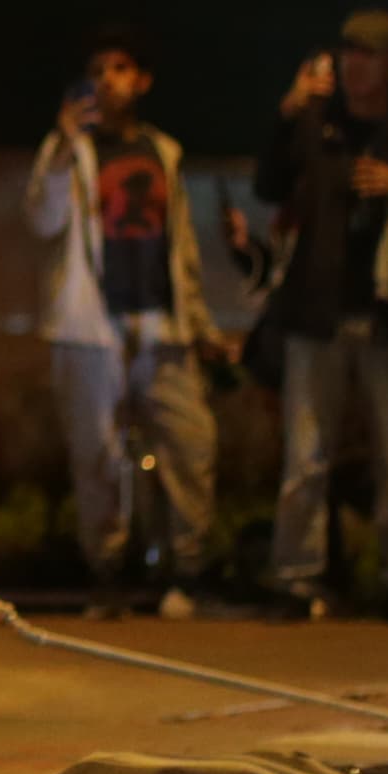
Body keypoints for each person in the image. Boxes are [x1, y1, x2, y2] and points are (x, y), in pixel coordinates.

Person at [252, 10, 388, 615]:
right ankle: (296, 575)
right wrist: (288, 110)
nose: (353, 64)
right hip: (316, 315)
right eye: (347, 52)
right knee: (305, 459)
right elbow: (268, 185)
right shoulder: (315, 123)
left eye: (368, 54)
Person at [23, 30, 231, 608]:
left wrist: (202, 325)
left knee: (192, 443)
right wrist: (63, 145)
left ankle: (187, 569)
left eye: (120, 68)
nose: (108, 79)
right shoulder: (74, 150)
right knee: (97, 454)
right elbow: (41, 217)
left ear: (142, 81)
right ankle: (108, 571)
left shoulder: (164, 151)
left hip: (162, 324)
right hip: (90, 328)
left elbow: (181, 244)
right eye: (98, 69)